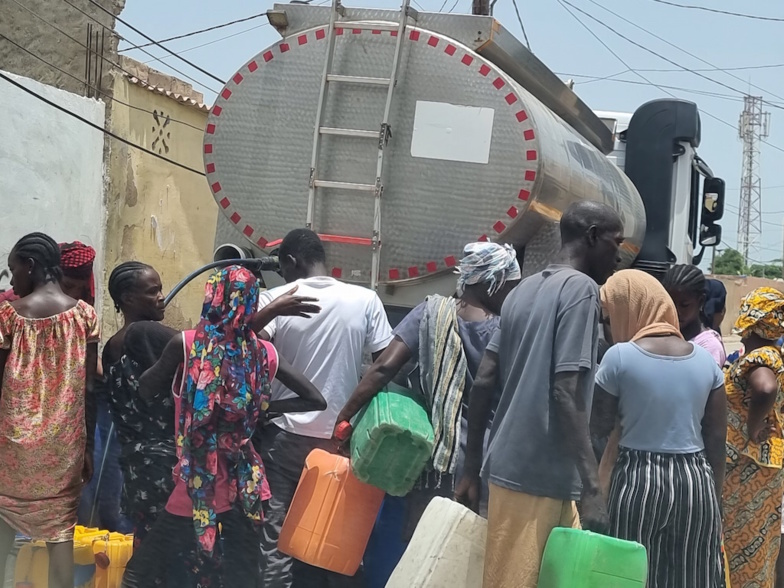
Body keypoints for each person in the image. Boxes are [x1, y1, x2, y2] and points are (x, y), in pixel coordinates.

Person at [122, 266, 325, 588]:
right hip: (243, 478)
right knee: (242, 571)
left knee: (140, 571)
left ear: (212, 298)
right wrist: (263, 409)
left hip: (199, 478)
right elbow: (315, 399)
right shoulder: (265, 353)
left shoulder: (187, 345)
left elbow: (147, 389)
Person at [456, 201, 624, 588]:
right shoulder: (582, 291)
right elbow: (565, 391)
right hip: (539, 476)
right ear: (593, 237)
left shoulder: (524, 288)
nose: (619, 257)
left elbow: (485, 379)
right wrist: (593, 486)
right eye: (616, 244)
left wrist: (471, 468)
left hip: (508, 468)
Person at [255, 228, 393, 588]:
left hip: (282, 436)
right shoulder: (366, 300)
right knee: (335, 534)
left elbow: (247, 347)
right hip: (340, 440)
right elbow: (386, 365)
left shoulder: (275, 299)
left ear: (289, 261)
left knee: (276, 537)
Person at [591, 269, 726, 587]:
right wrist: (715, 500)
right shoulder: (706, 361)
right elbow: (717, 439)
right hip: (695, 482)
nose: (609, 329)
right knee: (691, 575)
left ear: (629, 309)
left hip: (637, 478)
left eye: (609, 319)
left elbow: (597, 426)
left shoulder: (619, 358)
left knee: (628, 575)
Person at [0, 233, 100, 588]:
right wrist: (87, 447)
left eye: (13, 270)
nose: (12, 281)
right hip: (64, 443)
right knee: (61, 530)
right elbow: (90, 388)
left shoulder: (8, 316)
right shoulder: (86, 316)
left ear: (30, 265)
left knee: (5, 517)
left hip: (13, 443)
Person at [723, 287, 784, 588]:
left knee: (739, 550)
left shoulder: (761, 357)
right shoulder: (774, 353)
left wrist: (752, 427)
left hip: (745, 469)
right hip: (762, 468)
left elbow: (765, 388)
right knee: (757, 553)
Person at [663, 264, 726, 367]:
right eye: (671, 304)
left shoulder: (708, 346)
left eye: (684, 305)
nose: (676, 311)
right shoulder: (662, 336)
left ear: (700, 301)